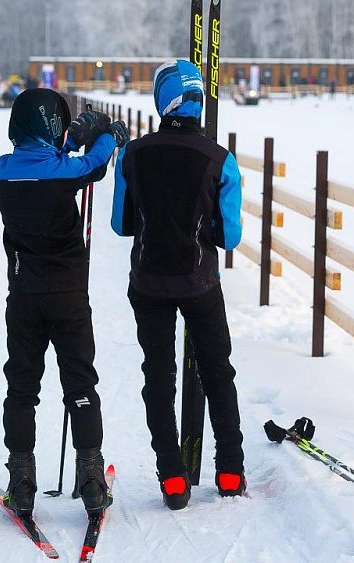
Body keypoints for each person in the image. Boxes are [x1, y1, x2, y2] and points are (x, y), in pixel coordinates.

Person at [111, 59, 245, 510]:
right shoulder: (220, 160)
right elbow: (230, 237)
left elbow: (121, 224)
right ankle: (229, 471)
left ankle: (171, 476)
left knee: (159, 376)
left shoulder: (132, 154)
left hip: (149, 282)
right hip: (200, 282)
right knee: (218, 372)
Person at [0, 89, 128, 518]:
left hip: (24, 296)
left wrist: (70, 141)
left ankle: (22, 479)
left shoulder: (2, 171)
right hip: (68, 294)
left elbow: (50, 159)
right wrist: (108, 134)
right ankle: (89, 476)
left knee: (21, 388)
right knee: (80, 384)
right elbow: (93, 164)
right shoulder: (67, 173)